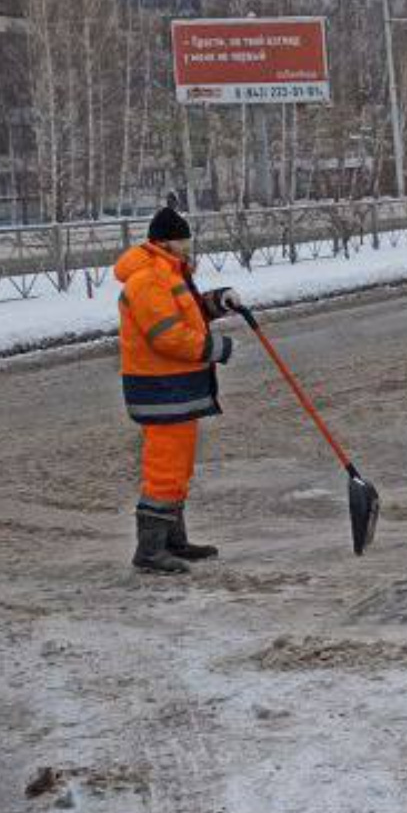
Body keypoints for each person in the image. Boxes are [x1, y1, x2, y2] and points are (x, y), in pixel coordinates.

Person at [114, 207, 242, 575]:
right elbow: (167, 336)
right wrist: (216, 349)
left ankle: (173, 541)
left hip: (177, 388)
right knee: (164, 469)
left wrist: (218, 302)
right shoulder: (147, 280)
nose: (188, 248)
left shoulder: (170, 274)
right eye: (184, 242)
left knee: (178, 467)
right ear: (166, 242)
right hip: (161, 390)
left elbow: (186, 317)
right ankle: (150, 551)